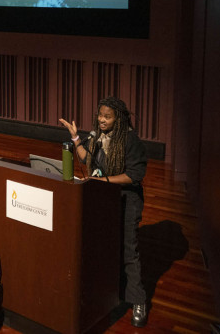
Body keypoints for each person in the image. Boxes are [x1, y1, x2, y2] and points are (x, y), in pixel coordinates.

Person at [59, 96, 149, 328]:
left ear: (118, 118)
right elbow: (86, 158)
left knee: (129, 249)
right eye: (100, 115)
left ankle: (138, 300)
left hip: (127, 199)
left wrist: (104, 180)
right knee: (108, 248)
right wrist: (75, 137)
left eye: (107, 116)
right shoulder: (97, 137)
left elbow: (134, 175)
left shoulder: (130, 140)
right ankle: (112, 295)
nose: (101, 120)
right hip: (104, 199)